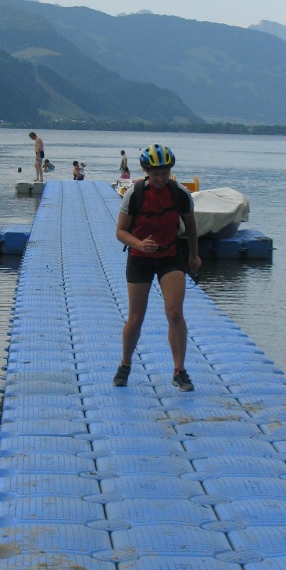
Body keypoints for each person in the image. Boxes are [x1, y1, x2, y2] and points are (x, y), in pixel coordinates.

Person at [113, 144, 201, 391]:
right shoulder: (135, 193)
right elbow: (120, 232)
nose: (161, 178)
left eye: (165, 172)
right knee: (136, 317)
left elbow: (191, 226)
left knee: (175, 314)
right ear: (146, 172)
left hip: (171, 257)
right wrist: (139, 243)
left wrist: (194, 255)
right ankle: (125, 364)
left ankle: (179, 371)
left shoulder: (179, 193)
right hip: (139, 258)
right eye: (156, 174)